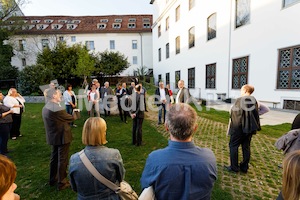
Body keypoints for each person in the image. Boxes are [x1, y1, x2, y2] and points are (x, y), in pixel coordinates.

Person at [140, 103, 217, 199]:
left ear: (166, 127)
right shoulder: (209, 158)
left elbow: (145, 187)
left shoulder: (155, 159)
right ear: (195, 128)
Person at [69, 117, 125, 199]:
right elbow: (120, 179)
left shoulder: (74, 159)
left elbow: (74, 187)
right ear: (102, 133)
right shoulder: (114, 155)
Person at [42, 88, 74, 191]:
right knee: (62, 159)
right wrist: (76, 113)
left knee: (55, 158)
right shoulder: (56, 108)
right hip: (61, 136)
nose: (60, 95)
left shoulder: (47, 106)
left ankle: (53, 179)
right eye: (58, 94)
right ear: (54, 96)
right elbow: (70, 118)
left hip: (54, 135)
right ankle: (62, 182)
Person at [224, 84, 261, 173]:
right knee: (246, 147)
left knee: (233, 146)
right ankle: (244, 167)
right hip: (249, 128)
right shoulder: (254, 100)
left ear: (245, 90)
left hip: (239, 128)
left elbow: (235, 114)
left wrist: (234, 128)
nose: (240, 92)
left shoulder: (240, 100)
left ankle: (234, 167)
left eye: (241, 90)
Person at [0, 91, 14, 155]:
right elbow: (1, 115)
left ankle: (5, 149)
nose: (2, 96)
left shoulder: (1, 103)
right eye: (0, 95)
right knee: (3, 138)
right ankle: (2, 152)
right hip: (3, 123)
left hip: (8, 122)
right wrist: (9, 112)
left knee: (6, 137)